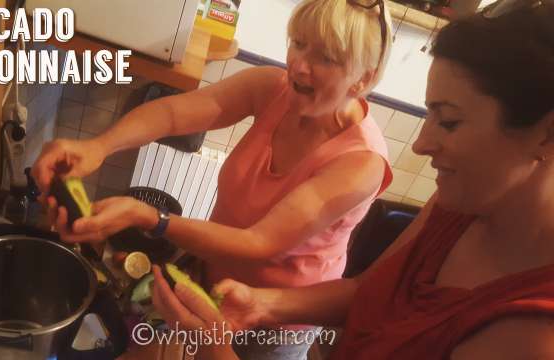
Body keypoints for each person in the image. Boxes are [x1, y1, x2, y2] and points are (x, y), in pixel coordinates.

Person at [149, 0, 554, 358]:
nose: (421, 143)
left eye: (449, 122)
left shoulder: (532, 334)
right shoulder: (458, 204)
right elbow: (371, 291)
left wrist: (219, 350)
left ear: (546, 135)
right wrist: (263, 304)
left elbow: (261, 242)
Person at [33, 0, 392, 357]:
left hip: (274, 324)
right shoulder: (273, 88)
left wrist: (150, 219)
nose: (298, 65)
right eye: (298, 43)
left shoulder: (361, 163)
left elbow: (259, 242)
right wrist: (99, 146)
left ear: (363, 77)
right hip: (213, 278)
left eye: (326, 58)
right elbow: (174, 114)